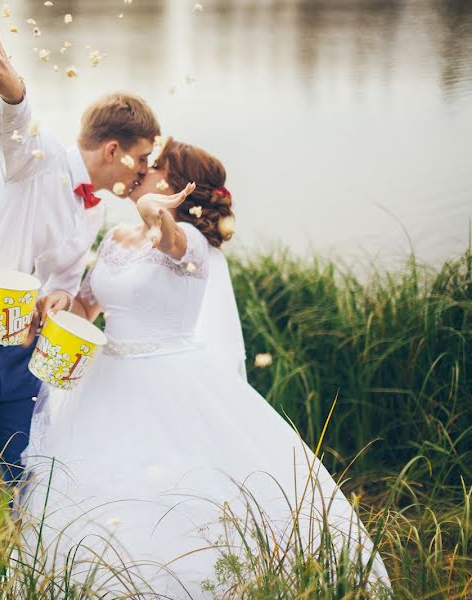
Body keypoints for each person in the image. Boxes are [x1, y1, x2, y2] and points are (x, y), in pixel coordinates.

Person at [20, 139, 390, 597]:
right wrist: (62, 303)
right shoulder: (115, 239)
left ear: (179, 186)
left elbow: (171, 243)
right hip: (103, 385)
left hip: (168, 383)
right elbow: (87, 307)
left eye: (156, 167)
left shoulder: (191, 243)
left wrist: (158, 215)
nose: (143, 170)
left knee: (170, 490)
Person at [0, 16, 161, 509]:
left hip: (20, 358)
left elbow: (61, 281)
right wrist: (13, 92)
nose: (146, 174)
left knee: (36, 489)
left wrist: (61, 297)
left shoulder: (94, 210)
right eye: (143, 160)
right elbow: (12, 128)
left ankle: (32, 582)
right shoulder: (34, 159)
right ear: (113, 150)